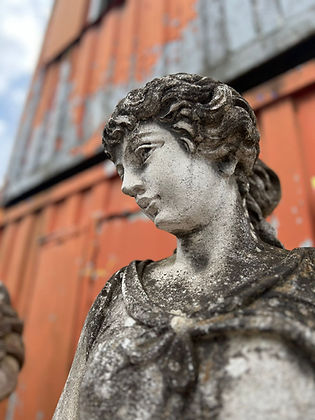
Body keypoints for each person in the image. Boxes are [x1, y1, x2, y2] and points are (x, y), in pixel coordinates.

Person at [53, 74, 315, 420]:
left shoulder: (306, 279)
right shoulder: (118, 295)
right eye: (121, 170)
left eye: (144, 153)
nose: (128, 186)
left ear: (222, 154)